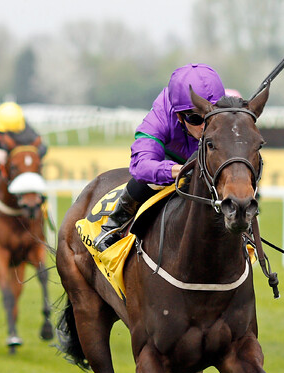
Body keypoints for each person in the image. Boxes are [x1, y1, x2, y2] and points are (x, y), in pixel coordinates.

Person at [92, 63, 226, 251]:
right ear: (179, 115)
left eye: (211, 117)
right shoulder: (161, 115)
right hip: (169, 166)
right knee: (144, 182)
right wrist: (179, 170)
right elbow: (140, 165)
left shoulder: (227, 112)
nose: (205, 127)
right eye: (195, 119)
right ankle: (114, 225)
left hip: (208, 164)